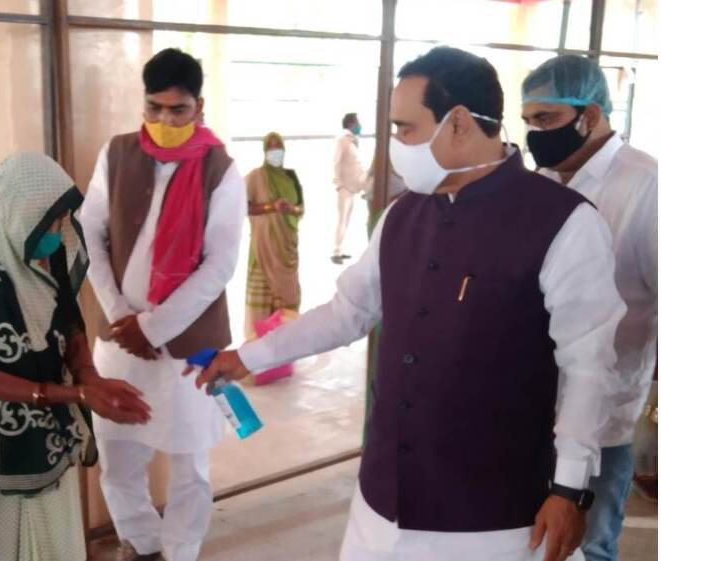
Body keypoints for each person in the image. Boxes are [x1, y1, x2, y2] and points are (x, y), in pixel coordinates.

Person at [188, 47, 626, 561]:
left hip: (491, 517)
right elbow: (347, 312)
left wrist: (569, 488)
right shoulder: (402, 215)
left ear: (458, 123)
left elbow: (588, 366)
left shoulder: (564, 223)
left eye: (404, 128)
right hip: (381, 503)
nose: (395, 143)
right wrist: (248, 356)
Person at [0, 153, 152, 561]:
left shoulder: (51, 254)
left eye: (62, 217)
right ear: (14, 209)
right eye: (49, 218)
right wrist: (77, 395)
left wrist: (90, 377)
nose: (57, 229)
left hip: (46, 432)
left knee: (50, 538)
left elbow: (71, 326)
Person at [78, 48, 247, 561]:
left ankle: (180, 551)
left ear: (199, 107)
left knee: (190, 463)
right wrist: (120, 316)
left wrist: (153, 327)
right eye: (155, 107)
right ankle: (142, 544)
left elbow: (219, 265)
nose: (165, 120)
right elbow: (90, 234)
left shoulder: (221, 170)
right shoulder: (117, 153)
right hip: (120, 340)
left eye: (178, 110)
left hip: (187, 346)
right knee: (118, 455)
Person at [522, 54, 658, 561]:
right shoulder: (540, 181)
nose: (535, 134)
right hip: (531, 407)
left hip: (603, 415)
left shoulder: (647, 185)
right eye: (529, 120)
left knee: (587, 546)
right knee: (528, 541)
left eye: (547, 119)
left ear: (591, 116)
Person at [244, 131, 304, 341]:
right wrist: (271, 206)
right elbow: (243, 207)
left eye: (278, 147)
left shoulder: (291, 177)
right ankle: (257, 345)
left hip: (287, 249)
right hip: (263, 250)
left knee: (288, 300)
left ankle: (284, 344)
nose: (275, 151)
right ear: (264, 151)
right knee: (261, 299)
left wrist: (291, 209)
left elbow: (301, 208)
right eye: (270, 147)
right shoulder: (255, 177)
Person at [332, 112, 367, 264]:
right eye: (357, 122)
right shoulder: (342, 140)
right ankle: (335, 252)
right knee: (341, 220)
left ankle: (340, 249)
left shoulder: (352, 141)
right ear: (351, 124)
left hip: (352, 187)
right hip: (344, 187)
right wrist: (338, 184)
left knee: (346, 220)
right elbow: (336, 162)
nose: (359, 125)